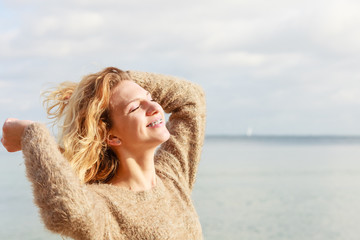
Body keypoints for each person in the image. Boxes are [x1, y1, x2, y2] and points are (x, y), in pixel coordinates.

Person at [1, 67, 206, 240]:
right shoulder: (106, 205)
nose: (155, 107)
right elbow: (66, 211)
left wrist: (118, 80)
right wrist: (32, 135)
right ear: (111, 136)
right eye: (135, 108)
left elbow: (191, 98)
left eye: (151, 98)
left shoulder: (173, 175)